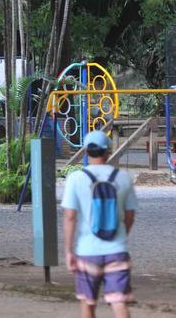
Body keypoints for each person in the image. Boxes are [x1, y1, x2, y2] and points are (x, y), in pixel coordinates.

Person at [62, 130, 138, 318]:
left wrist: (69, 251)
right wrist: (120, 238)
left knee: (88, 302)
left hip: (87, 252)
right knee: (118, 301)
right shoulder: (124, 177)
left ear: (86, 151)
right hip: (117, 249)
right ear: (108, 151)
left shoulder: (76, 179)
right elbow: (130, 216)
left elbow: (70, 217)